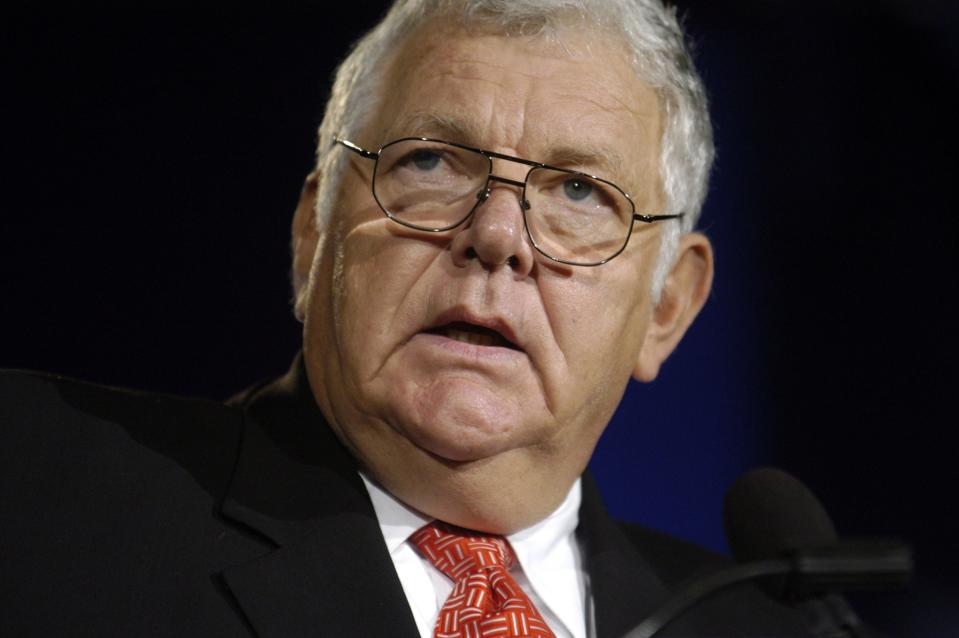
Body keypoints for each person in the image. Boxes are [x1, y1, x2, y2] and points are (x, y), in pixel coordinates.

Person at [0, 1, 813, 636]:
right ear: (312, 233)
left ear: (666, 307)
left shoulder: (771, 630)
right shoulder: (39, 494)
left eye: (578, 193)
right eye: (429, 161)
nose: (495, 236)